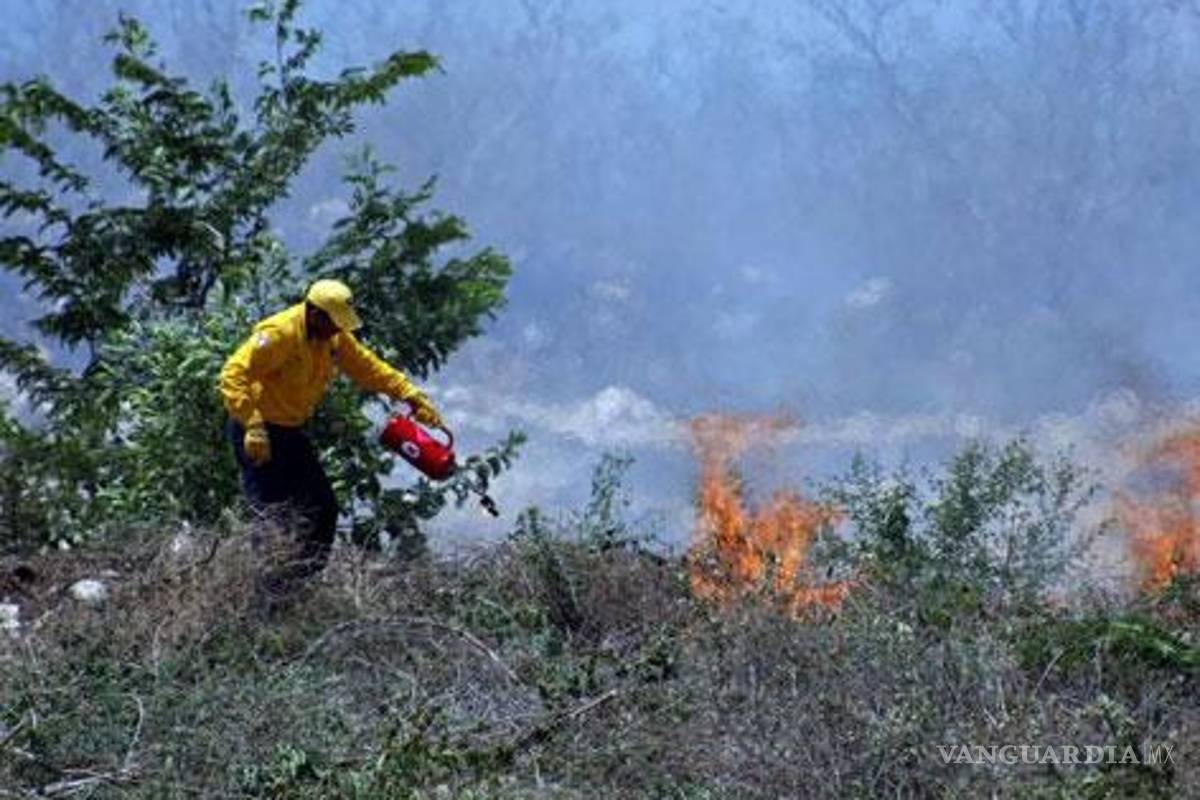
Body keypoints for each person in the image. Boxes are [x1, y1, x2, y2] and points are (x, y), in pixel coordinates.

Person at [219, 278, 444, 611]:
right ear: (314, 313)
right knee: (271, 515)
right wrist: (251, 422)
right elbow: (233, 374)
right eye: (333, 323)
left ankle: (298, 586)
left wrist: (409, 394)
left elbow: (368, 367)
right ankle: (264, 602)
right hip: (258, 433)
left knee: (323, 507)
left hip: (290, 432)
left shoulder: (333, 339)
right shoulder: (280, 334)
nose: (338, 330)